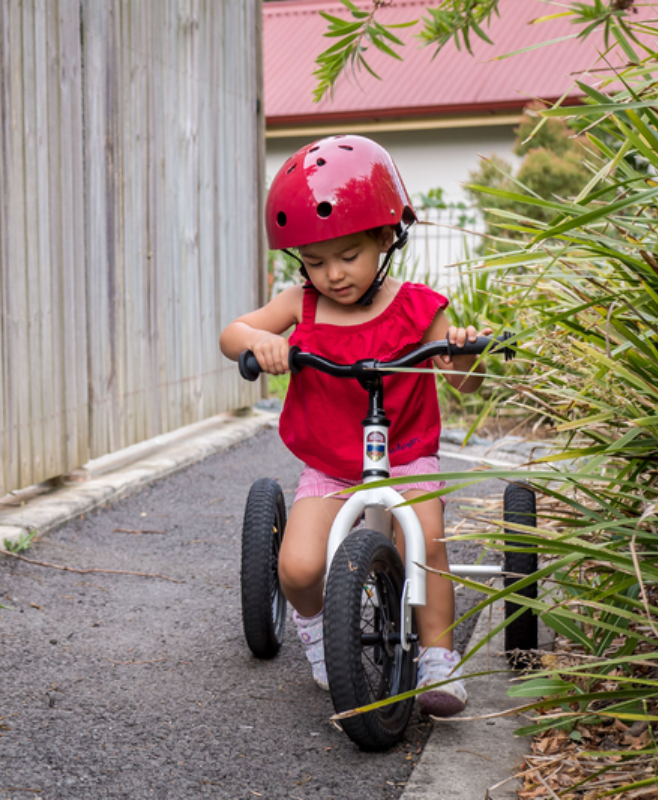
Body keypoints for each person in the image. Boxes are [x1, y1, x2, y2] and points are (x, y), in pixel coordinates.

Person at [220, 135, 490, 718]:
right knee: (296, 567)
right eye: (315, 262)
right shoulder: (302, 304)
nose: (333, 275)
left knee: (428, 542)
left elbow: (467, 384)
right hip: (332, 464)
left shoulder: (422, 308)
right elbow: (232, 334)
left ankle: (439, 659)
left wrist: (462, 355)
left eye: (347, 256)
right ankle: (318, 633)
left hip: (408, 454)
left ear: (385, 239)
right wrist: (263, 341)